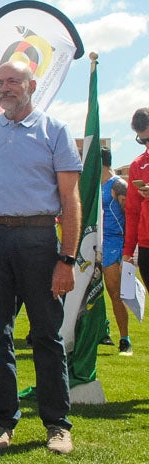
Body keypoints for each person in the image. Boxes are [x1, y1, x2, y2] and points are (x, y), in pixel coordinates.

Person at [0, 60, 81, 454]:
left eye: (13, 81)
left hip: (39, 240)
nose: (5, 88)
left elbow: (70, 199)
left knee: (46, 335)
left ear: (31, 85)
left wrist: (67, 259)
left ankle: (57, 425)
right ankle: (3, 419)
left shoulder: (54, 130)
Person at [123, 107, 149, 352]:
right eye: (143, 140)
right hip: (147, 246)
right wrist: (128, 250)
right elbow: (131, 211)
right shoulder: (138, 165)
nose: (146, 144)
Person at [101, 146, 130, 354]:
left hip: (115, 242)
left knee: (115, 292)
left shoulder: (118, 185)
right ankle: (102, 332)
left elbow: (129, 215)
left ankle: (125, 338)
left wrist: (129, 250)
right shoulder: (95, 184)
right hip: (97, 241)